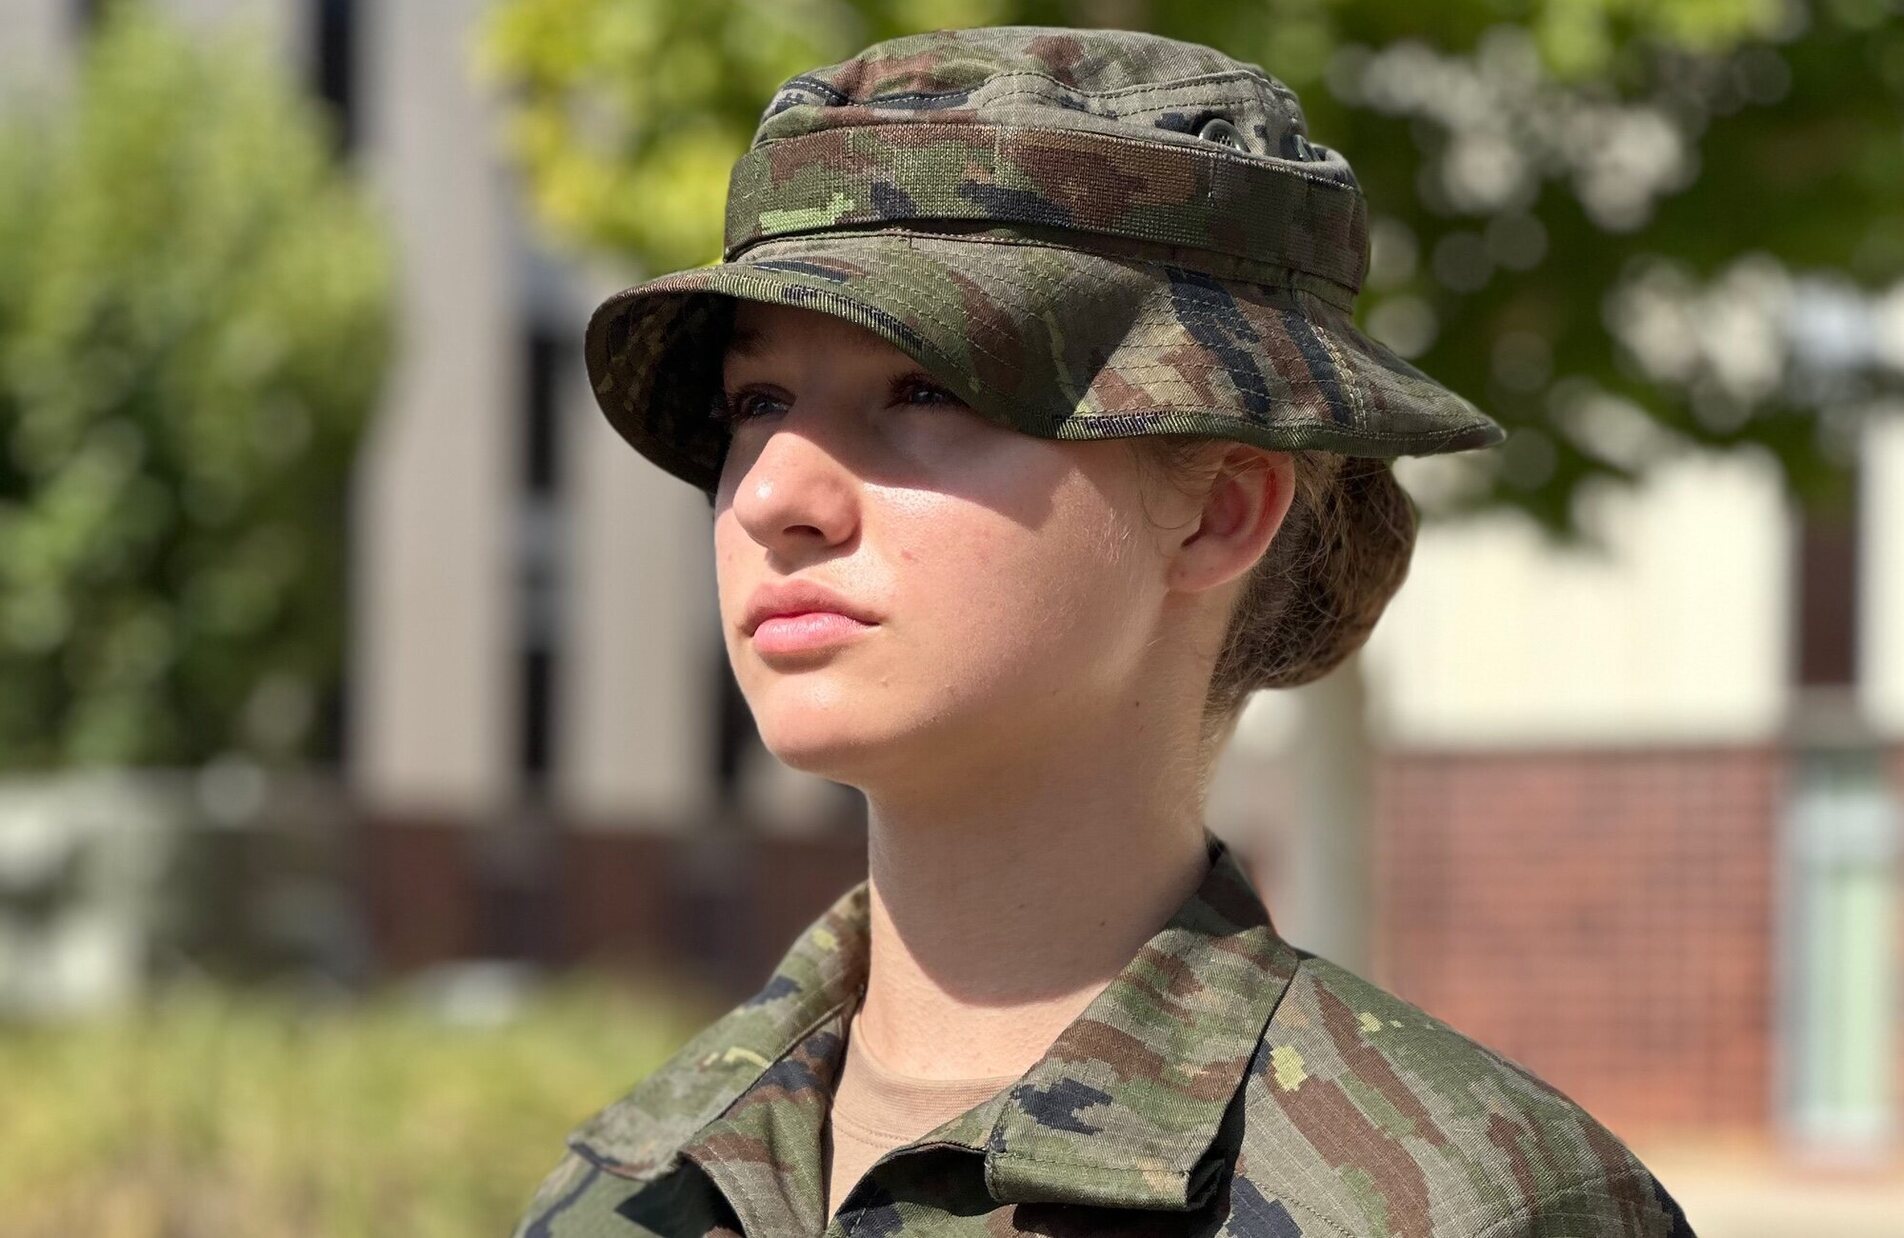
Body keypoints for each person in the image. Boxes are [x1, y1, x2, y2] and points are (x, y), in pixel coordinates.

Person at [512, 25, 1694, 1238]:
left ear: (1218, 511)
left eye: (927, 386)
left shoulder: (1464, 1207)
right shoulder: (629, 1190)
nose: (771, 493)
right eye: (755, 403)